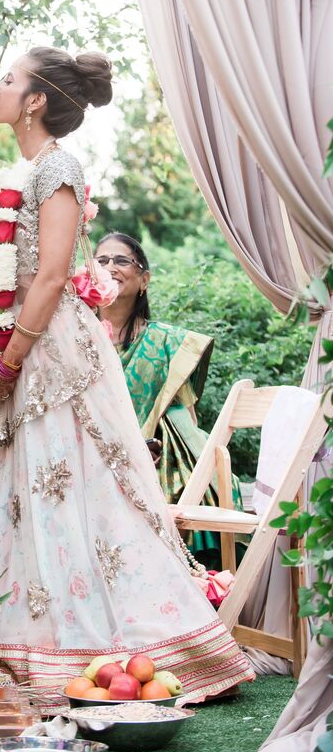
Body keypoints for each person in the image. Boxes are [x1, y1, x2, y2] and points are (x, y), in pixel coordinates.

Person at [0, 47, 254, 698]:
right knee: (34, 493)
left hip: (53, 358)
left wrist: (10, 361)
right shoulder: (28, 168)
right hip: (26, 350)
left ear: (36, 101)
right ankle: (39, 647)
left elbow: (50, 274)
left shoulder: (59, 167)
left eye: (8, 80)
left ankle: (125, 650)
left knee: (74, 490)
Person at [95, 233, 240, 566]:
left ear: (144, 279)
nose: (110, 267)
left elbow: (187, 420)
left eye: (121, 260)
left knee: (185, 474)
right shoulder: (74, 339)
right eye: (101, 261)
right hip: (94, 456)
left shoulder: (167, 342)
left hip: (158, 461)